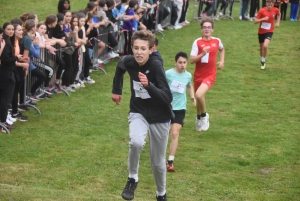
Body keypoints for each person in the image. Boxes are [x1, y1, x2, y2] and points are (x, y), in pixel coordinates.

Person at [112, 30, 173, 201]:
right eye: (136, 48)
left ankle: (161, 194)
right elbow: (120, 67)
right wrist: (116, 90)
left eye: (143, 49)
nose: (139, 52)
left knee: (158, 162)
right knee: (136, 141)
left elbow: (168, 97)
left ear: (151, 49)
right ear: (131, 48)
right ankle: (132, 178)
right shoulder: (129, 61)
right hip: (138, 111)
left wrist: (149, 86)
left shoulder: (155, 65)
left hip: (160, 115)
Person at [190, 18, 225, 132]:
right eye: (204, 27)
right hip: (198, 75)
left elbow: (222, 49)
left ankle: (204, 116)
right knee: (200, 97)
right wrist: (202, 54)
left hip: (210, 74)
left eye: (209, 27)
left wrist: (222, 61)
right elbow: (191, 60)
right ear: (201, 30)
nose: (206, 29)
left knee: (199, 95)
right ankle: (199, 117)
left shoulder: (217, 41)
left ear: (212, 29)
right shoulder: (197, 42)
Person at [165, 52, 196, 172]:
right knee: (164, 133)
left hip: (180, 108)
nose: (182, 65)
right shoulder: (168, 74)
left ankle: (170, 162)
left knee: (174, 133)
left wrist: (192, 96)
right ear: (175, 63)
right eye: (180, 62)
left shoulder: (188, 75)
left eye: (184, 63)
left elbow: (189, 85)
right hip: (167, 108)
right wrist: (167, 99)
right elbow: (161, 86)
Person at [254, 0, 280, 70]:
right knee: (261, 47)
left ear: (273, 4)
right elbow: (255, 21)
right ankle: (262, 59)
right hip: (261, 31)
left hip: (270, 31)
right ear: (266, 3)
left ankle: (263, 60)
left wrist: (278, 22)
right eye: (268, 2)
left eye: (271, 2)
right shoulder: (261, 10)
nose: (270, 4)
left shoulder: (276, 10)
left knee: (265, 46)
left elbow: (279, 14)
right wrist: (263, 19)